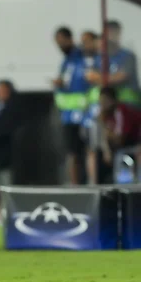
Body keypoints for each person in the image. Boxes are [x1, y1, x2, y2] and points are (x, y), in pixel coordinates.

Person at [53, 26, 91, 184]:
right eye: (57, 43)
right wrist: (59, 84)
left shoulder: (83, 58)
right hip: (68, 116)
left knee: (89, 151)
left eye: (62, 41)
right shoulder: (65, 62)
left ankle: (91, 183)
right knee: (72, 153)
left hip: (85, 113)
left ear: (70, 39)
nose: (60, 45)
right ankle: (75, 186)